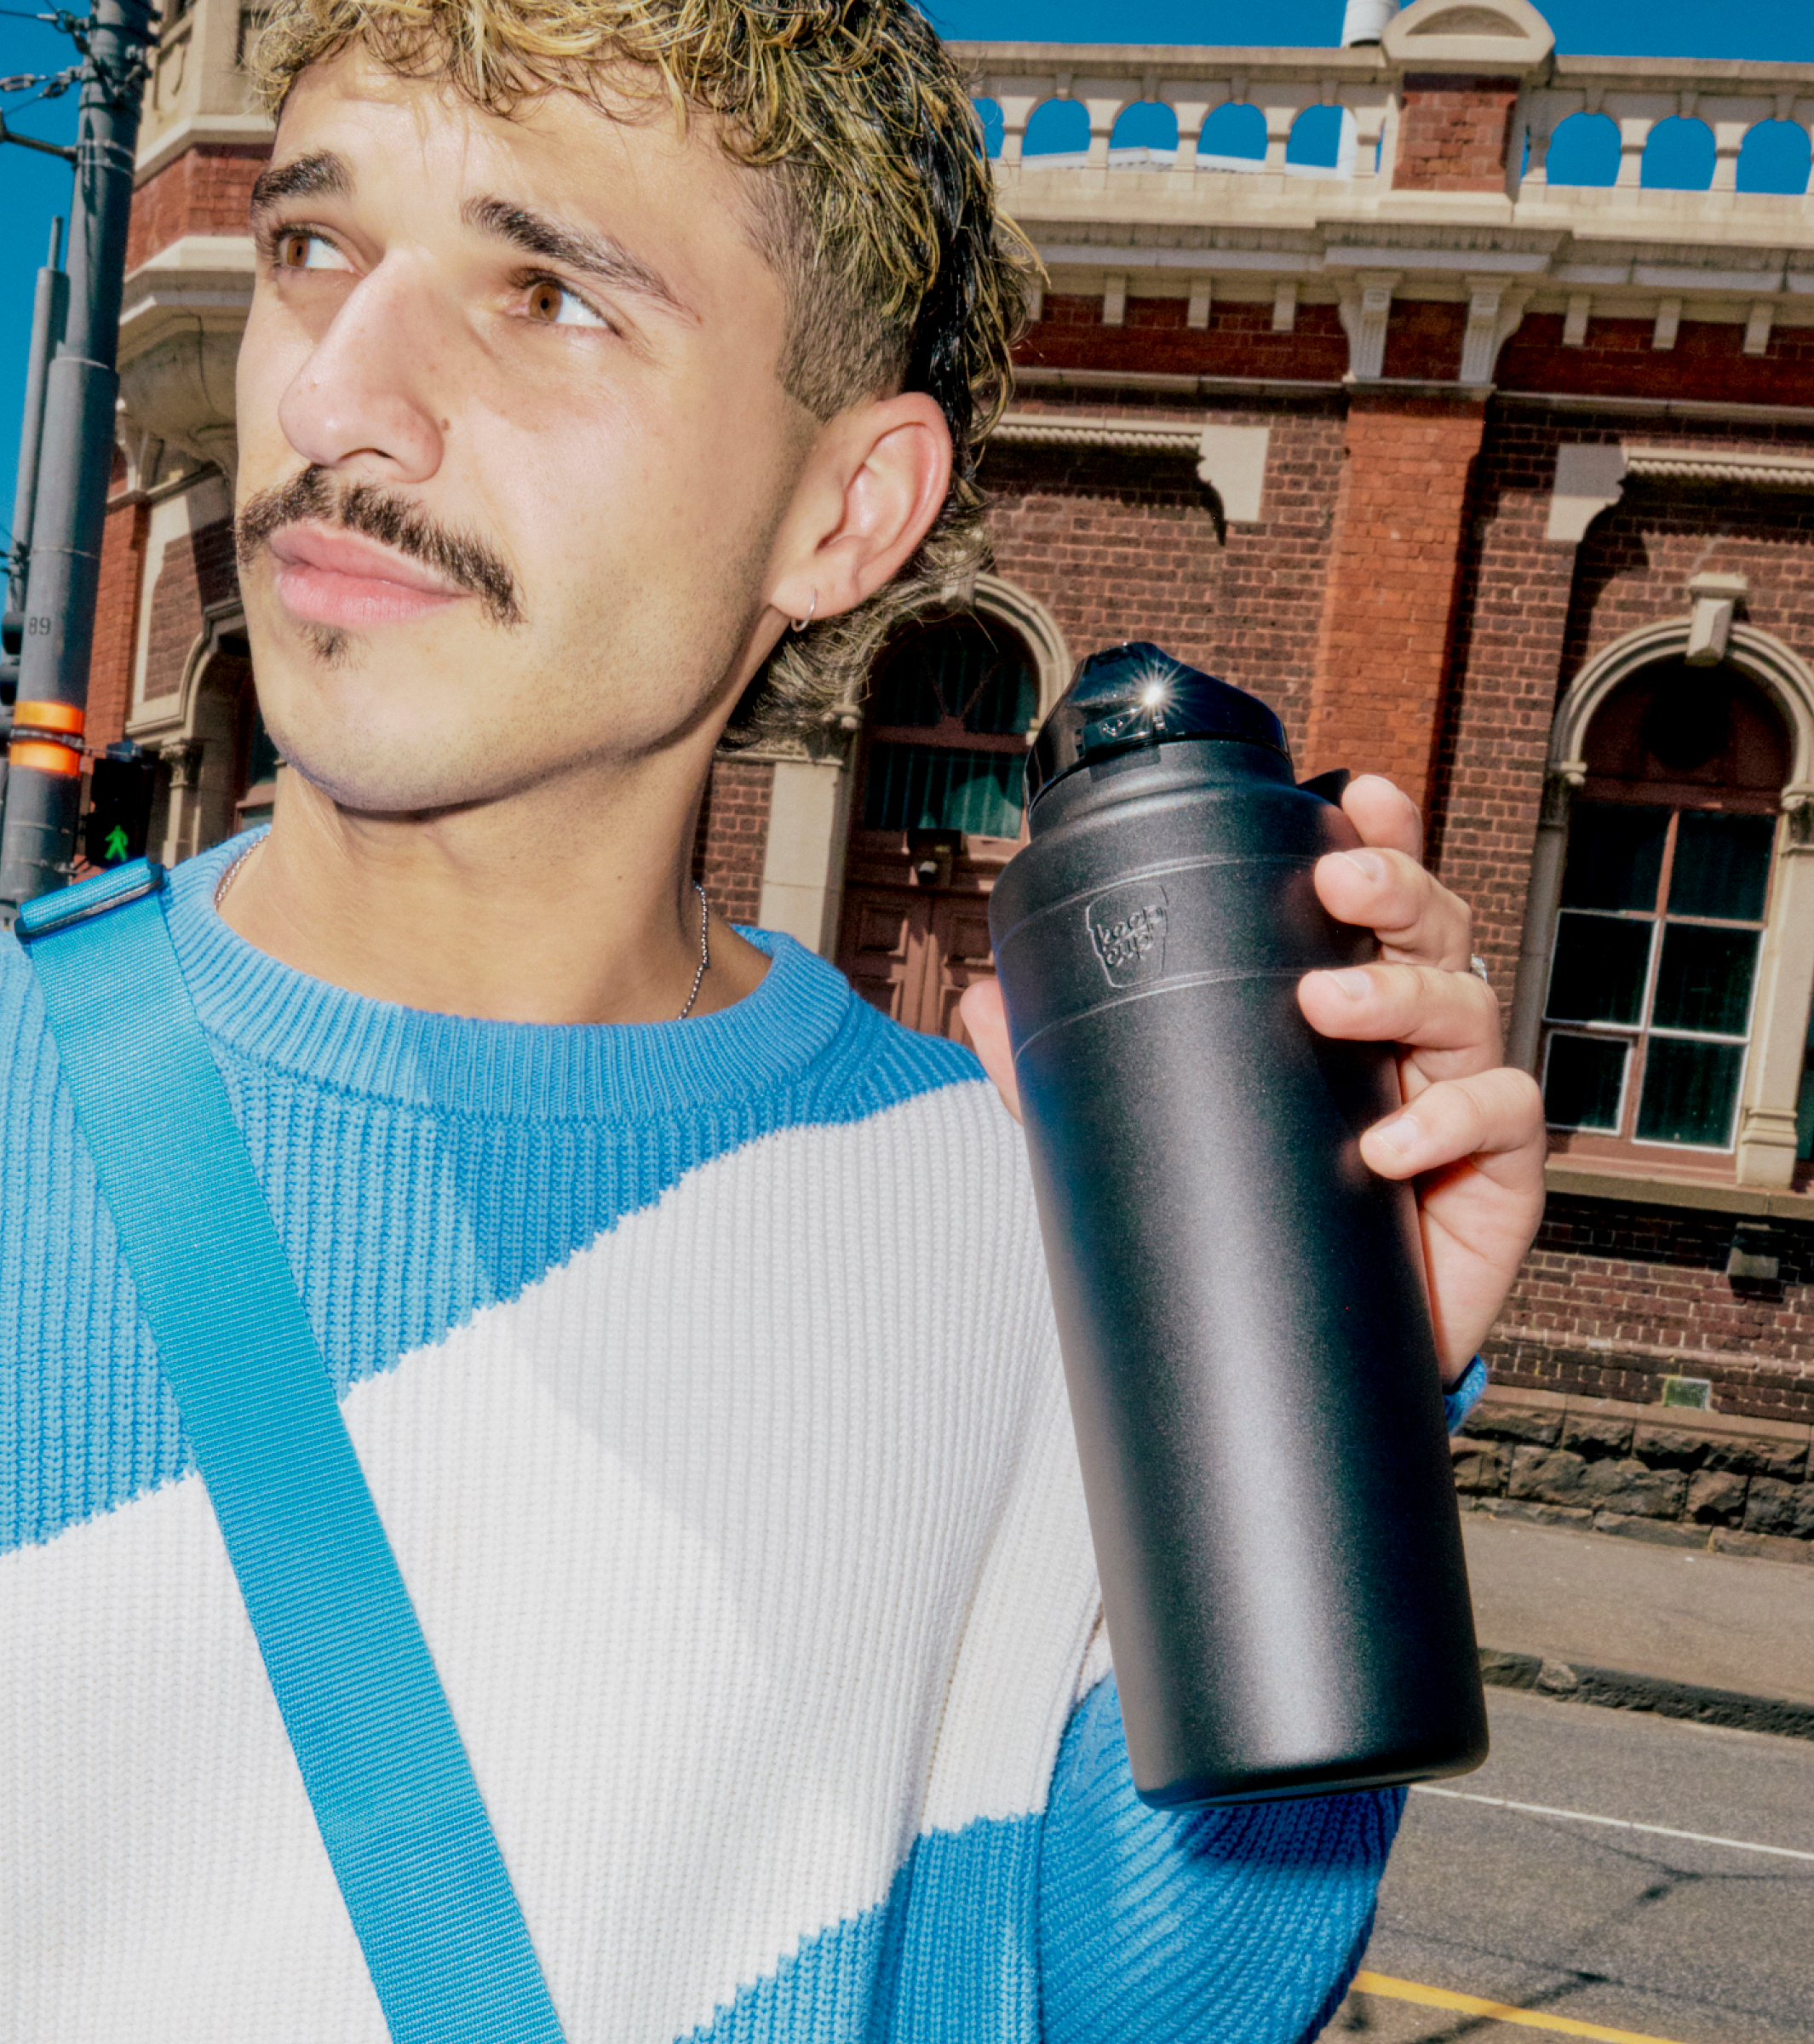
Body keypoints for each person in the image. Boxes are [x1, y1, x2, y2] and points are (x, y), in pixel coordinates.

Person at [0, 0, 1547, 2035]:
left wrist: (1324, 1407)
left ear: (845, 513)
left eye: (542, 291)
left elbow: (1118, 2002)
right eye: (314, 250)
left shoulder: (1032, 1244)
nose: (344, 399)